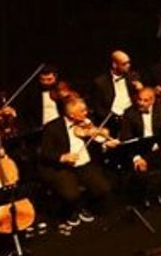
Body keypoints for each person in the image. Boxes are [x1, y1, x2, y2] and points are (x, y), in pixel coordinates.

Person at [38, 94, 117, 227]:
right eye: (82, 111)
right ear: (71, 115)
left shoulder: (87, 123)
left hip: (84, 164)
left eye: (85, 110)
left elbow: (97, 138)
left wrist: (105, 142)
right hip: (63, 168)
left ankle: (87, 206)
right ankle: (72, 211)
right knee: (71, 195)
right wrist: (63, 157)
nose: (86, 113)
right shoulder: (53, 127)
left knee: (103, 188)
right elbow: (45, 153)